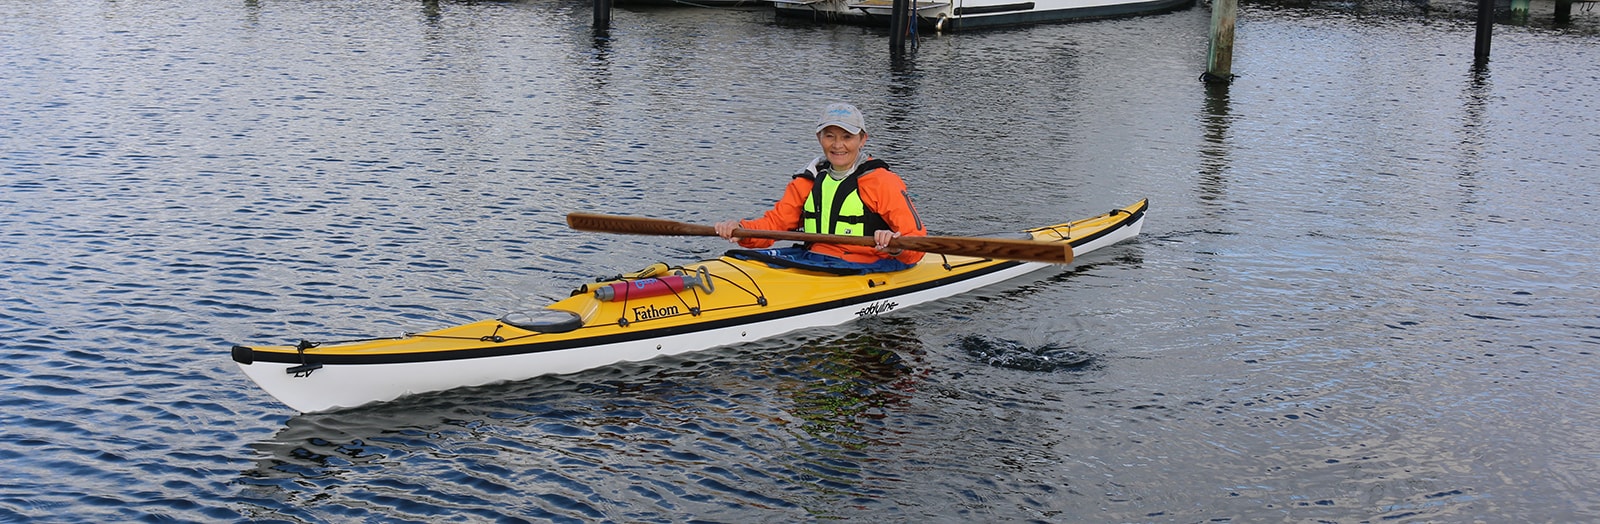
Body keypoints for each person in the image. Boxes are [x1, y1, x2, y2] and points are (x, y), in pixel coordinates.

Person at [715, 103, 927, 273]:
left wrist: (896, 245)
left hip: (866, 264)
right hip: (815, 261)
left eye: (847, 137)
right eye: (829, 136)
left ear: (862, 139)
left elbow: (915, 240)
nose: (837, 145)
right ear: (819, 138)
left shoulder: (882, 181)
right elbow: (774, 225)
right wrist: (741, 231)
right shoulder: (809, 180)